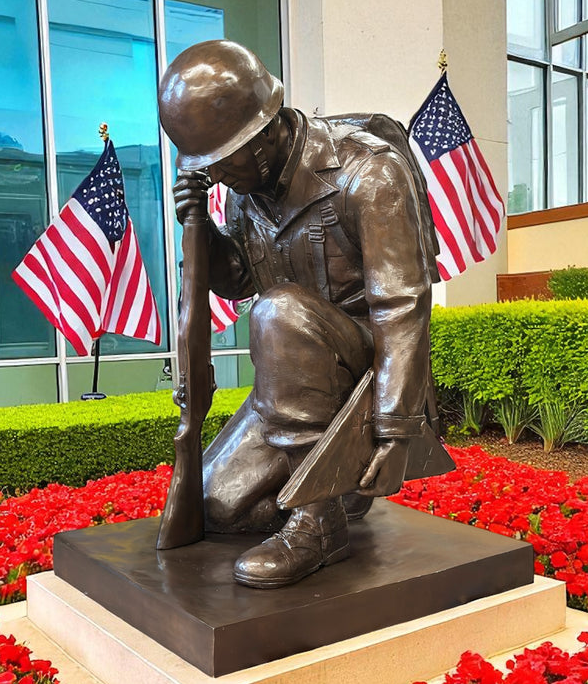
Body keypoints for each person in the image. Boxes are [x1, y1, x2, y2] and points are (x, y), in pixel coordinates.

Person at [159, 40, 451, 588]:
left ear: (265, 129)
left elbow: (402, 306)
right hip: (297, 380)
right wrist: (201, 233)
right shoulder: (248, 191)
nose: (218, 175)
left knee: (277, 311)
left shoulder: (368, 172)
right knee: (218, 503)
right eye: (210, 166)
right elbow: (243, 278)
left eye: (225, 160)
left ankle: (318, 523)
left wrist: (395, 429)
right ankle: (333, 490)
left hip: (364, 374)